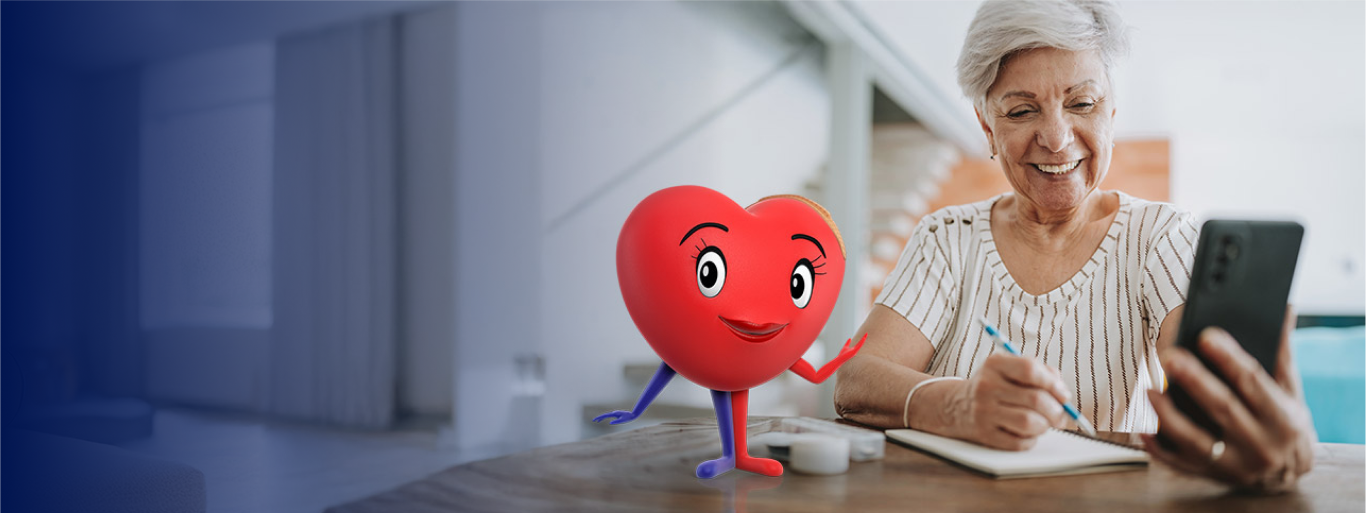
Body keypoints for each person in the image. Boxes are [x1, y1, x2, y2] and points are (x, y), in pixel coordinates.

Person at [833, 0, 1315, 493]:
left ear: (1110, 111)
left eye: (1081, 104)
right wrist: (956, 405)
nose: (1058, 139)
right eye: (1022, 111)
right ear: (987, 128)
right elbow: (854, 382)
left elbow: (1215, 403)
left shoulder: (1159, 235)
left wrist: (1250, 432)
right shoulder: (946, 236)